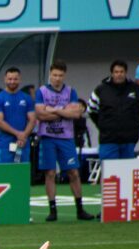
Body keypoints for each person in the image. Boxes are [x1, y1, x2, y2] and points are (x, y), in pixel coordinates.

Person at [35, 61, 95, 222]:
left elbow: (76, 114)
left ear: (64, 76)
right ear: (50, 74)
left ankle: (80, 209)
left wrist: (52, 110)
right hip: (47, 137)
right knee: (50, 173)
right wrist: (63, 111)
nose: (57, 78)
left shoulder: (70, 91)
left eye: (60, 75)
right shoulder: (41, 91)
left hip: (66, 138)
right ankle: (52, 209)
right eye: (54, 75)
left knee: (73, 172)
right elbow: (40, 114)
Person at [88, 60, 139, 160]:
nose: (119, 74)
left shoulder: (136, 89)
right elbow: (92, 110)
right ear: (112, 73)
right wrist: (104, 125)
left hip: (129, 140)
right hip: (108, 140)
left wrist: (133, 125)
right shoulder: (100, 89)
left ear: (125, 73)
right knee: (109, 173)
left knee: (127, 172)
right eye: (116, 72)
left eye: (121, 72)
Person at [0, 67, 36, 164]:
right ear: (5, 79)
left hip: (23, 144)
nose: (12, 81)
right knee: (5, 174)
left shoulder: (26, 98)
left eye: (15, 79)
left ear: (20, 79)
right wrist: (18, 134)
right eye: (10, 79)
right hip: (5, 144)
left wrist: (24, 135)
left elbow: (32, 120)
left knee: (22, 173)